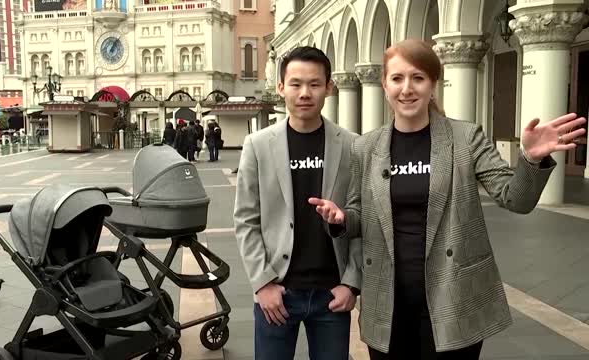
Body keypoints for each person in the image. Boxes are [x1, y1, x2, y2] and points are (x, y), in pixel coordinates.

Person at [309, 38, 587, 360]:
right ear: (385, 85)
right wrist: (342, 219)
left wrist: (530, 159)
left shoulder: (465, 138)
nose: (407, 88)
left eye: (418, 78)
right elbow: (359, 213)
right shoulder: (366, 148)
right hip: (388, 300)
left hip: (452, 297)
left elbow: (516, 199)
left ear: (433, 85)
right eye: (397, 78)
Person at [234, 46, 362, 360]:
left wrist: (352, 283)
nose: (305, 93)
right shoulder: (258, 145)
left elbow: (362, 217)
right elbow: (246, 220)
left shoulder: (351, 145)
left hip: (331, 294)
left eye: (315, 84)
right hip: (277, 293)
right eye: (295, 84)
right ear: (281, 87)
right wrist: (262, 283)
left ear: (329, 87)